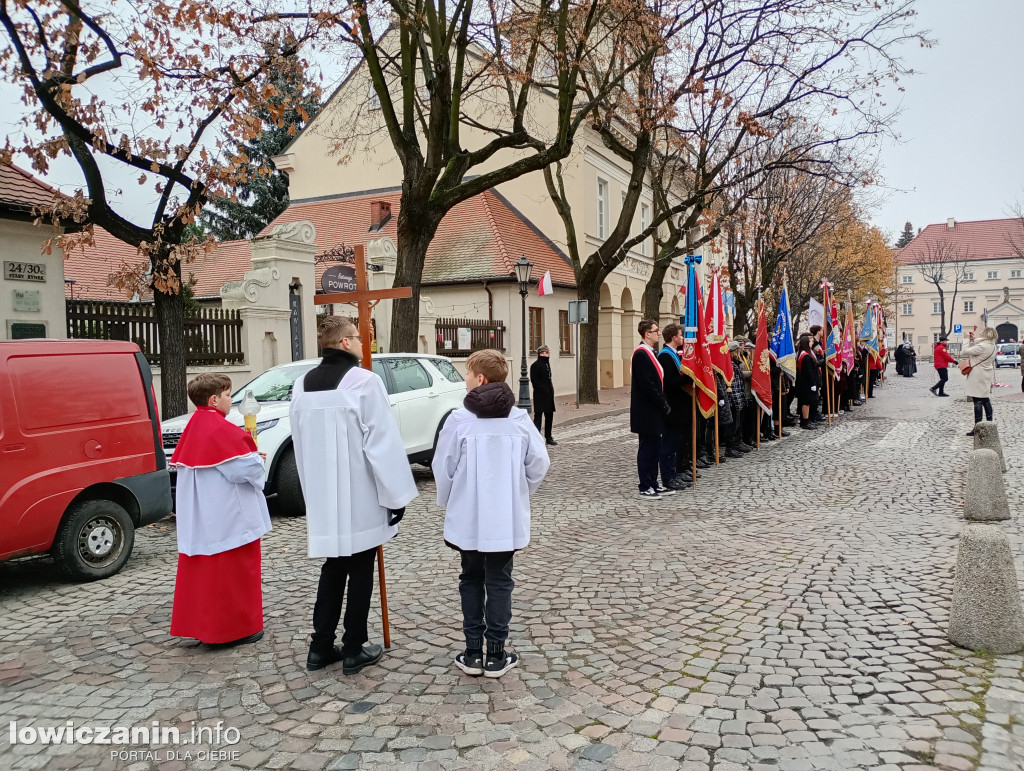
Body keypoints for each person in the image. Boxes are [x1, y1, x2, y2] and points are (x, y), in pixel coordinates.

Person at [291, 316, 418, 674]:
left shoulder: (302, 384)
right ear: (345, 342)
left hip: (323, 494)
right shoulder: (364, 381)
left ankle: (319, 647)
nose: (364, 343)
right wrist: (395, 496)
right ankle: (353, 648)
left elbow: (299, 443)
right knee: (361, 568)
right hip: (360, 492)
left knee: (333, 566)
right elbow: (382, 443)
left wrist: (311, 492)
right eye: (358, 338)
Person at [433, 349, 550, 678]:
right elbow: (539, 464)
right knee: (500, 580)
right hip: (504, 516)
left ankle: (472, 653)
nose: (464, 379)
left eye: (467, 373)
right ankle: (496, 655)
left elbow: (443, 466)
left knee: (470, 577)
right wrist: (520, 491)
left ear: (480, 379)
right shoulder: (518, 419)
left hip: (468, 516)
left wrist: (450, 498)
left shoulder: (459, 419)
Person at [169, 373, 271, 647]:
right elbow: (244, 471)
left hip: (203, 517)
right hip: (228, 516)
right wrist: (256, 460)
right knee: (235, 573)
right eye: (228, 395)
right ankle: (235, 629)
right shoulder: (221, 429)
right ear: (214, 400)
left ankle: (205, 628)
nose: (231, 399)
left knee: (205, 574)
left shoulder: (195, 426)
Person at [630, 319, 674, 498]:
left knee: (655, 448)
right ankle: (645, 484)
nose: (658, 333)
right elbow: (647, 384)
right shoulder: (641, 354)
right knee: (647, 448)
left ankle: (654, 482)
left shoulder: (651, 352)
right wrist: (662, 402)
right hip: (646, 410)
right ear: (646, 334)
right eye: (656, 331)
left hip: (654, 410)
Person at [657, 324, 693, 490]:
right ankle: (668, 477)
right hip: (672, 405)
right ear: (674, 337)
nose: (683, 338)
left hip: (679, 404)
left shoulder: (673, 354)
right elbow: (669, 383)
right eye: (680, 335)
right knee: (669, 444)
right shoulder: (665, 356)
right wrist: (688, 377)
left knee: (677, 441)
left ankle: (675, 472)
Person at [960, 327, 997, 436]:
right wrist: (973, 339)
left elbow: (965, 351)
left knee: (977, 400)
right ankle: (989, 424)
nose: (979, 334)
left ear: (986, 335)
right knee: (985, 399)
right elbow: (979, 344)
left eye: (982, 334)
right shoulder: (992, 345)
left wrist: (966, 339)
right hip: (986, 374)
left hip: (977, 374)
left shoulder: (982, 346)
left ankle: (978, 427)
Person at [530, 345, 557, 445]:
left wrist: (550, 390)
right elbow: (535, 381)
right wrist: (543, 390)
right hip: (540, 395)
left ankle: (548, 437)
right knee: (538, 416)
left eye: (547, 352)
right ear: (540, 354)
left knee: (549, 415)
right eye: (544, 353)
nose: (546, 354)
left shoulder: (547, 364)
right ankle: (536, 437)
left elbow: (548, 379)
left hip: (549, 394)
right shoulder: (535, 365)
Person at [796, 334, 820, 430]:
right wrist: (813, 383)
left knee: (808, 402)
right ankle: (805, 421)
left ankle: (806, 420)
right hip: (806, 383)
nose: (812, 343)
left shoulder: (804, 354)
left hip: (806, 382)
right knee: (806, 402)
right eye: (810, 342)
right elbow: (809, 372)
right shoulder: (805, 356)